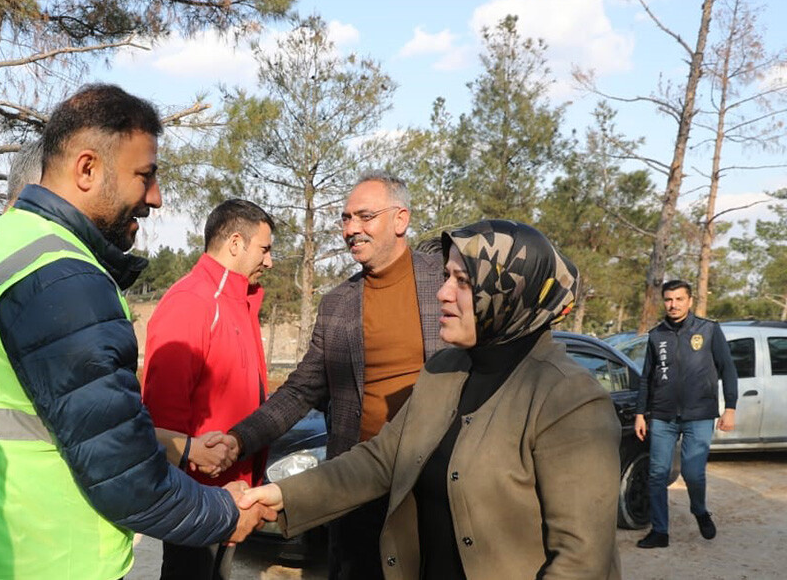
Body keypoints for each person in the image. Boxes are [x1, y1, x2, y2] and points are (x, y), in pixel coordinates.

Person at [0, 84, 271, 580]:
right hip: (41, 562)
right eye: (144, 176)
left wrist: (184, 450)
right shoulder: (64, 280)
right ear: (87, 169)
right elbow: (127, 479)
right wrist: (226, 514)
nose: (156, 198)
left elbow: (56, 421)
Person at [240, 220, 622, 580]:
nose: (443, 292)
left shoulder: (569, 399)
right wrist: (279, 495)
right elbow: (381, 461)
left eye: (463, 281)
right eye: (445, 277)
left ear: (509, 293)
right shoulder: (445, 369)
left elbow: (580, 560)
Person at [224, 171, 444, 580]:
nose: (351, 229)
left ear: (401, 219)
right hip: (357, 490)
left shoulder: (448, 282)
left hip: (434, 486)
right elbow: (301, 390)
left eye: (364, 216)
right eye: (345, 219)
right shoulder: (337, 304)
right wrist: (239, 438)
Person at [142, 199, 276, 580]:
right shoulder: (192, 302)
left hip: (233, 494)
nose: (269, 261)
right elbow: (161, 417)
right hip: (198, 500)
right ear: (235, 243)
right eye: (264, 249)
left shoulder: (239, 301)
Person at [634, 280, 738, 548]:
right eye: (668, 300)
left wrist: (730, 407)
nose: (673, 305)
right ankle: (660, 531)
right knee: (657, 473)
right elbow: (647, 377)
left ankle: (700, 511)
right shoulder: (657, 335)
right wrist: (640, 414)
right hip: (662, 415)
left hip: (699, 414)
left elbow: (728, 369)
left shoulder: (709, 330)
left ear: (690, 301)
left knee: (693, 473)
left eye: (679, 299)